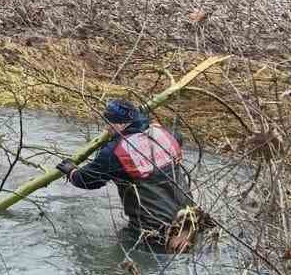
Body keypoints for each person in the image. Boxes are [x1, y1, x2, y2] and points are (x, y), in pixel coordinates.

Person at [57, 99, 205, 251]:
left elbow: (87, 180)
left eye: (109, 123)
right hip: (191, 221)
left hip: (154, 234)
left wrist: (71, 171)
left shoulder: (115, 152)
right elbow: (178, 138)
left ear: (120, 124)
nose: (107, 129)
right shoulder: (166, 134)